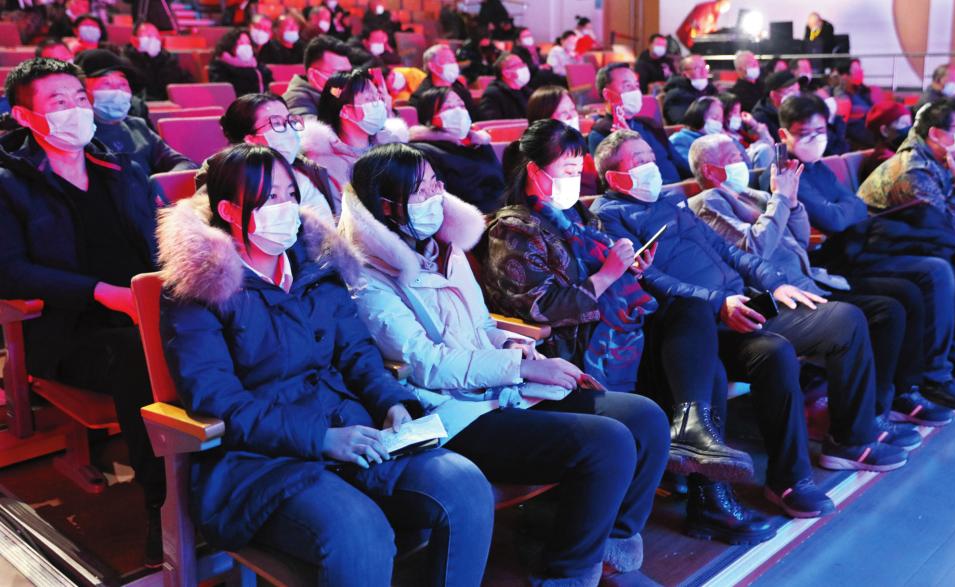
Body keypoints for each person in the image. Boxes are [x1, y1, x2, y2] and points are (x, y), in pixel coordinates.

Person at [157, 143, 494, 586]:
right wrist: (321, 438)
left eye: (290, 194)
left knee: (464, 485)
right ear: (227, 210)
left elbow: (357, 353)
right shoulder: (199, 291)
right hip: (261, 461)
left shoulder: (316, 265)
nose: (286, 208)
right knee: (359, 533)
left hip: (352, 429)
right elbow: (220, 401)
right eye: (270, 198)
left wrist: (390, 403)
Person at [341, 142, 670, 582]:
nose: (437, 196)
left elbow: (482, 325)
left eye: (436, 183)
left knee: (645, 418)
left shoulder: (445, 247)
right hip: (450, 411)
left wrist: (518, 347)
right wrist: (520, 367)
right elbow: (426, 364)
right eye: (421, 190)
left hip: (499, 387)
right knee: (607, 442)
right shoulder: (367, 277)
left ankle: (609, 541)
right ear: (387, 205)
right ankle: (569, 571)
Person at [589, 128, 908, 521]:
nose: (651, 166)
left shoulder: (671, 204)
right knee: (776, 351)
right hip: (698, 327)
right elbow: (648, 280)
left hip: (743, 301)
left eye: (651, 158)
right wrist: (718, 303)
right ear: (614, 176)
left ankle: (850, 440)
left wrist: (776, 283)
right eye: (639, 161)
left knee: (846, 318)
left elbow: (730, 252)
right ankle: (790, 480)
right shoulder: (607, 218)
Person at [484, 120, 769, 544]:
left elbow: (609, 274)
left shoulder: (577, 216)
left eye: (577, 170)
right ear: (534, 171)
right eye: (566, 170)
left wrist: (631, 269)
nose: (575, 179)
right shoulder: (513, 230)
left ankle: (697, 448)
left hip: (616, 334)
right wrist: (607, 275)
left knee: (692, 316)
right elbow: (540, 308)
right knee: (705, 369)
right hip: (573, 351)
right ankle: (708, 496)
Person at [0, 57, 166, 567]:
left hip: (145, 310)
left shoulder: (120, 165)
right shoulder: (9, 182)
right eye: (58, 101)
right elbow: (11, 272)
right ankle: (164, 504)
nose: (75, 109)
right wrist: (101, 292)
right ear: (25, 116)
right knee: (138, 354)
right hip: (69, 331)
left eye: (79, 98)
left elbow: (156, 240)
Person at [685, 133, 923, 451]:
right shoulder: (706, 203)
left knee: (891, 308)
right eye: (732, 158)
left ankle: (872, 414)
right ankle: (851, 434)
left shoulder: (753, 195)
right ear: (710, 170)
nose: (741, 161)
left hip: (804, 283)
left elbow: (798, 240)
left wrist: (793, 203)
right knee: (861, 316)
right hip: (769, 298)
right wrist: (781, 200)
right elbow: (753, 249)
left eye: (741, 155)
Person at [858, 98, 955, 393]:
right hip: (878, 249)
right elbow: (944, 227)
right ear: (935, 132)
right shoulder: (913, 170)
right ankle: (944, 366)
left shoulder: (937, 156)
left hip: (912, 238)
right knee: (953, 258)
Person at [207, 93, 336, 219]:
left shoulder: (309, 170)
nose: (290, 130)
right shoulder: (221, 178)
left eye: (289, 120)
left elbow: (325, 225)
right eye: (277, 123)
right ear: (250, 139)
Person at [77, 49, 195, 175]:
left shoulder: (138, 127)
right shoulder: (77, 135)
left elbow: (184, 164)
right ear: (83, 91)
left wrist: (159, 184)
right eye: (106, 84)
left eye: (123, 85)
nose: (117, 92)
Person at [588, 63, 689, 183]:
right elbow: (613, 183)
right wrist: (626, 143)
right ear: (607, 94)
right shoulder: (601, 133)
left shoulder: (649, 124)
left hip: (681, 188)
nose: (635, 91)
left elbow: (679, 162)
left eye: (636, 85)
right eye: (627, 86)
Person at [411, 86, 505, 213]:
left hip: (502, 210)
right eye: (449, 107)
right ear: (429, 117)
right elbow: (444, 201)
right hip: (472, 216)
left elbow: (500, 181)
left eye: (461, 105)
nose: (459, 111)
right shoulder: (424, 151)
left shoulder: (478, 142)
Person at [301, 68, 397, 188]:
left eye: (378, 97)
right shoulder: (324, 164)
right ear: (346, 111)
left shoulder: (391, 145)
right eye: (369, 99)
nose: (379, 104)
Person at [525, 85, 599, 195]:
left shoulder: (585, 158)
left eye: (573, 110)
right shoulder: (531, 162)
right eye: (563, 113)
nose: (571, 116)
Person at [122, 22, 194, 102]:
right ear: (134, 40)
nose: (153, 40)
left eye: (156, 37)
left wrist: (156, 58)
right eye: (148, 36)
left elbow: (175, 83)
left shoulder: (167, 58)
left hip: (166, 103)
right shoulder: (126, 60)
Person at [284, 35, 351, 118]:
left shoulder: (338, 94)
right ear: (313, 75)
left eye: (349, 73)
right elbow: (312, 125)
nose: (347, 78)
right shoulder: (296, 100)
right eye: (339, 73)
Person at [668, 96, 736, 176]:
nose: (718, 124)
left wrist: (729, 141)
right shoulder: (679, 140)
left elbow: (742, 162)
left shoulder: (715, 139)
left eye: (720, 120)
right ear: (698, 116)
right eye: (714, 118)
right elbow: (696, 170)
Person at [409, 43, 478, 120]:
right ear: (432, 66)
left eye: (454, 60)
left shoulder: (461, 89)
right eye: (448, 61)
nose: (453, 65)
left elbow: (474, 119)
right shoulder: (420, 97)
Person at [209, 28, 274, 96]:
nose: (245, 46)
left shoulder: (257, 64)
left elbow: (270, 85)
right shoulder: (220, 66)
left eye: (248, 43)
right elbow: (222, 92)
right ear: (230, 45)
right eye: (241, 43)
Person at [833, 58, 880, 148]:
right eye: (857, 71)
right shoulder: (840, 93)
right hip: (857, 128)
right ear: (845, 76)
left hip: (873, 124)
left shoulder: (864, 90)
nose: (861, 73)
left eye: (861, 70)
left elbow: (875, 107)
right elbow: (844, 116)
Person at [861, 100, 912, 182]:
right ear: (885, 131)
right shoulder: (882, 160)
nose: (910, 128)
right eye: (903, 123)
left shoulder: (899, 150)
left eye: (909, 123)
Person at [662, 54, 718, 125]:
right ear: (684, 74)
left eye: (704, 67)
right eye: (697, 68)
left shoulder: (711, 90)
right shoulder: (675, 95)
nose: (703, 72)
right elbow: (682, 124)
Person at [478, 52, 532, 121]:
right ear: (506, 73)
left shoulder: (526, 91)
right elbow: (492, 124)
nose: (523, 67)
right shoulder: (492, 95)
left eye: (522, 64)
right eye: (517, 65)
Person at [751, 70, 800, 142]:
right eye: (790, 90)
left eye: (797, 89)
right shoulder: (760, 119)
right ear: (773, 95)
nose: (795, 94)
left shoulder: (799, 111)